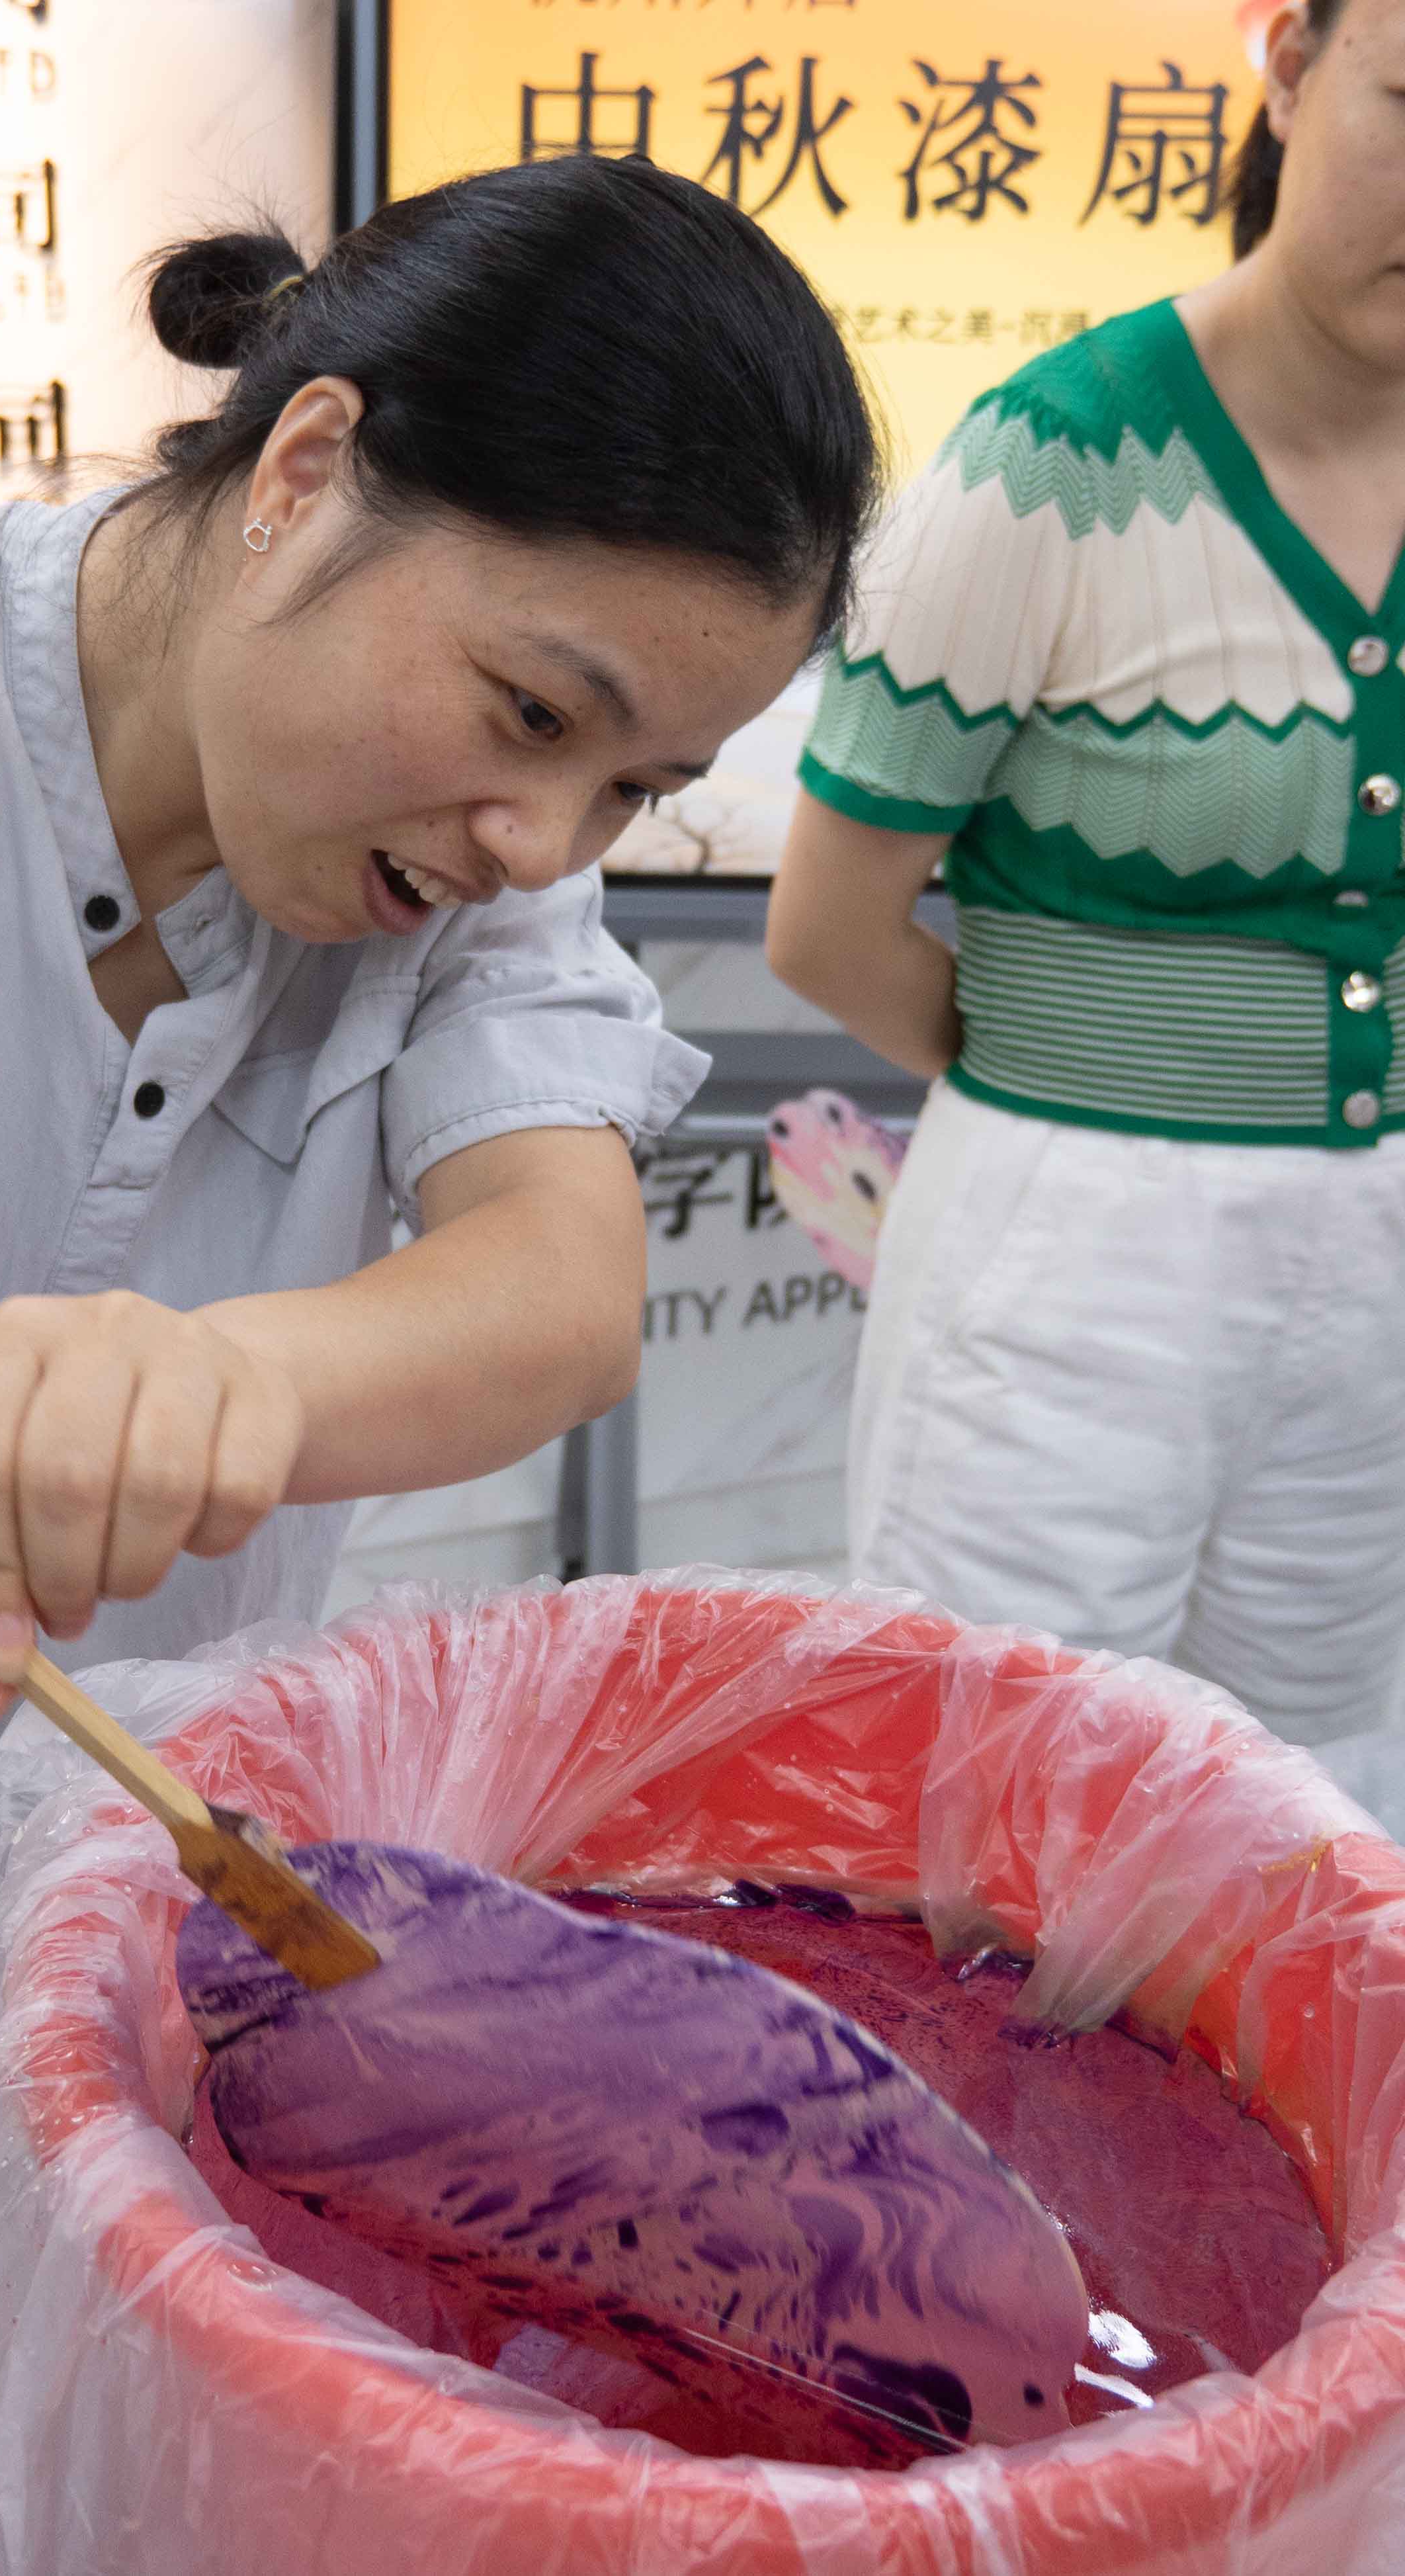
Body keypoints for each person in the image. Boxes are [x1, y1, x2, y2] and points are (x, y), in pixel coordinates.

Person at [0, 153, 878, 2280]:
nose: (538, 837)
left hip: (129, 1886)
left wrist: (240, 1374)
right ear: (304, 472)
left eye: (629, 789)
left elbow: (562, 1280)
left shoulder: (480, 904)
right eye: (531, 713)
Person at [767, 0, 1405, 1785]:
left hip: (1375, 1267)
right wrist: (1093, 1066)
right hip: (1072, 1248)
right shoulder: (1052, 464)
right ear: (1290, 66)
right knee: (1002, 1787)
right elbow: (826, 927)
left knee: (1318, 1796)